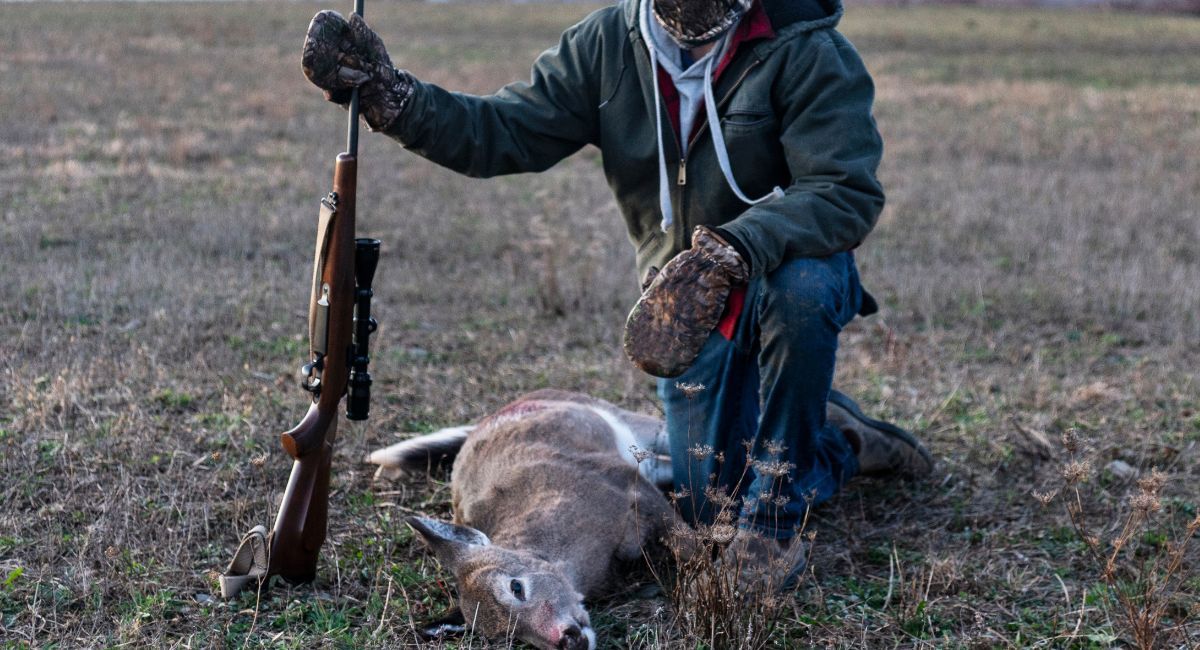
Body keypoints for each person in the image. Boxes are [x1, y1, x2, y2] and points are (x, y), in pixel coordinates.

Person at [301, 0, 933, 588]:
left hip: (779, 275)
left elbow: (842, 191)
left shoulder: (806, 47)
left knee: (804, 290)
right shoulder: (606, 45)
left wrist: (739, 246)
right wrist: (395, 100)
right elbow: (501, 130)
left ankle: (773, 524)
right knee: (707, 494)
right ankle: (837, 436)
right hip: (682, 312)